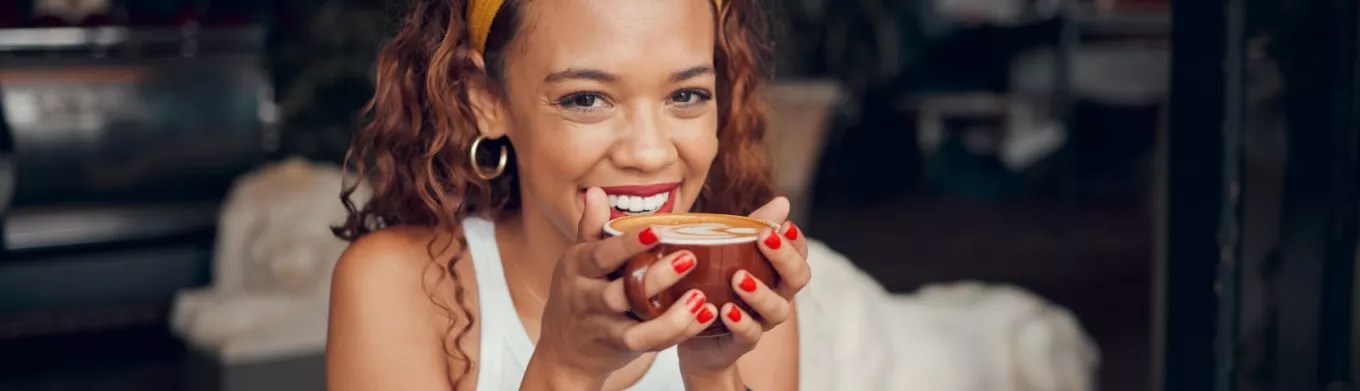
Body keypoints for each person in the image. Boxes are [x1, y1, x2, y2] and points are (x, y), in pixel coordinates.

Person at [325, 0, 1100, 390]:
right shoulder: (399, 288)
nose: (652, 152)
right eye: (587, 99)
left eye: (687, 97)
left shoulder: (758, 311)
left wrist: (717, 375)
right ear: (485, 97)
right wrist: (564, 366)